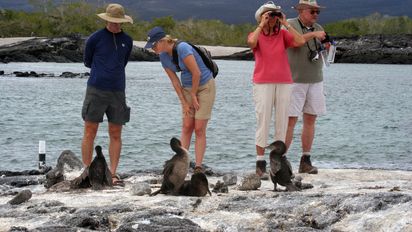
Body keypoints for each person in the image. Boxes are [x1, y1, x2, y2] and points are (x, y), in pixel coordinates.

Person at [144, 27, 216, 174]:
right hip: (187, 87)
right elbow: (175, 82)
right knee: (187, 126)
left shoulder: (183, 48)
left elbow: (197, 73)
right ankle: (181, 162)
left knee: (199, 128)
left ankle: (198, 166)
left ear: (163, 41)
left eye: (154, 45)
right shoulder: (162, 56)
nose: (152, 48)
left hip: (204, 86)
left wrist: (194, 96)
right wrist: (184, 102)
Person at [247, 1, 305, 178]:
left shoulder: (283, 35)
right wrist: (261, 25)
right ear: (262, 16)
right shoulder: (256, 33)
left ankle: (279, 160)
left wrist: (286, 23)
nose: (273, 18)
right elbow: (251, 43)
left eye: (275, 15)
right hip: (263, 82)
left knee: (282, 121)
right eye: (269, 14)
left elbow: (300, 41)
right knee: (263, 119)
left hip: (284, 82)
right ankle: (260, 161)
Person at [81, 3, 133, 185]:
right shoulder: (94, 39)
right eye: (113, 21)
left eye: (119, 22)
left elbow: (122, 63)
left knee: (116, 132)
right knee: (89, 131)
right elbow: (87, 62)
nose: (116, 25)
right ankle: (87, 171)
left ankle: (113, 172)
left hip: (118, 90)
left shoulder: (128, 40)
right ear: (107, 20)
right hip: (96, 89)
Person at [286, 0, 329, 174]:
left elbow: (319, 48)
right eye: (313, 12)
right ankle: (281, 160)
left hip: (316, 79)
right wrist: (314, 35)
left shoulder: (317, 26)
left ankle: (306, 159)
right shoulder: (289, 24)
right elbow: (295, 42)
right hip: (295, 80)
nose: (316, 15)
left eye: (317, 12)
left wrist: (326, 46)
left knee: (311, 119)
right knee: (290, 120)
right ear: (302, 11)